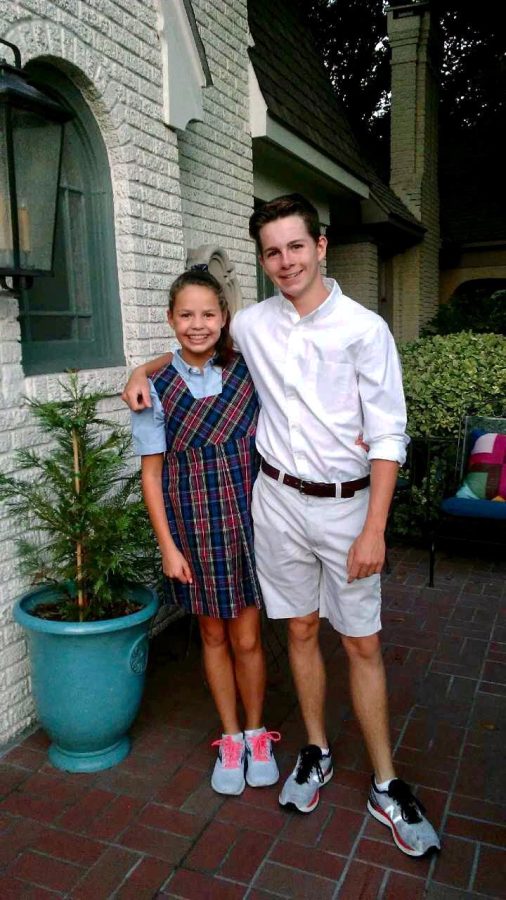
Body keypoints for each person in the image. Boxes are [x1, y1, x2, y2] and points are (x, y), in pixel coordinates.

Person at [124, 195, 440, 857]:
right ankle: (317, 751)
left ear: (320, 246)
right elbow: (193, 344)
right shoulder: (257, 325)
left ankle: (386, 782)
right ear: (263, 262)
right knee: (297, 628)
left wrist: (376, 526)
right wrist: (140, 369)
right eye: (272, 252)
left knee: (360, 641)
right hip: (275, 503)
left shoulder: (363, 329)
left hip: (348, 506)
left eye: (296, 246)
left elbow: (388, 434)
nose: (286, 261)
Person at [130, 267, 280, 797]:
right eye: (186, 315)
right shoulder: (156, 390)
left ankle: (259, 732)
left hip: (251, 521)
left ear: (225, 319)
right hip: (192, 526)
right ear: (171, 319)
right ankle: (231, 736)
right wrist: (168, 548)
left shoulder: (248, 370)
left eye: (209, 314)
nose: (198, 325)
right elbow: (151, 475)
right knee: (213, 634)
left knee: (247, 635)